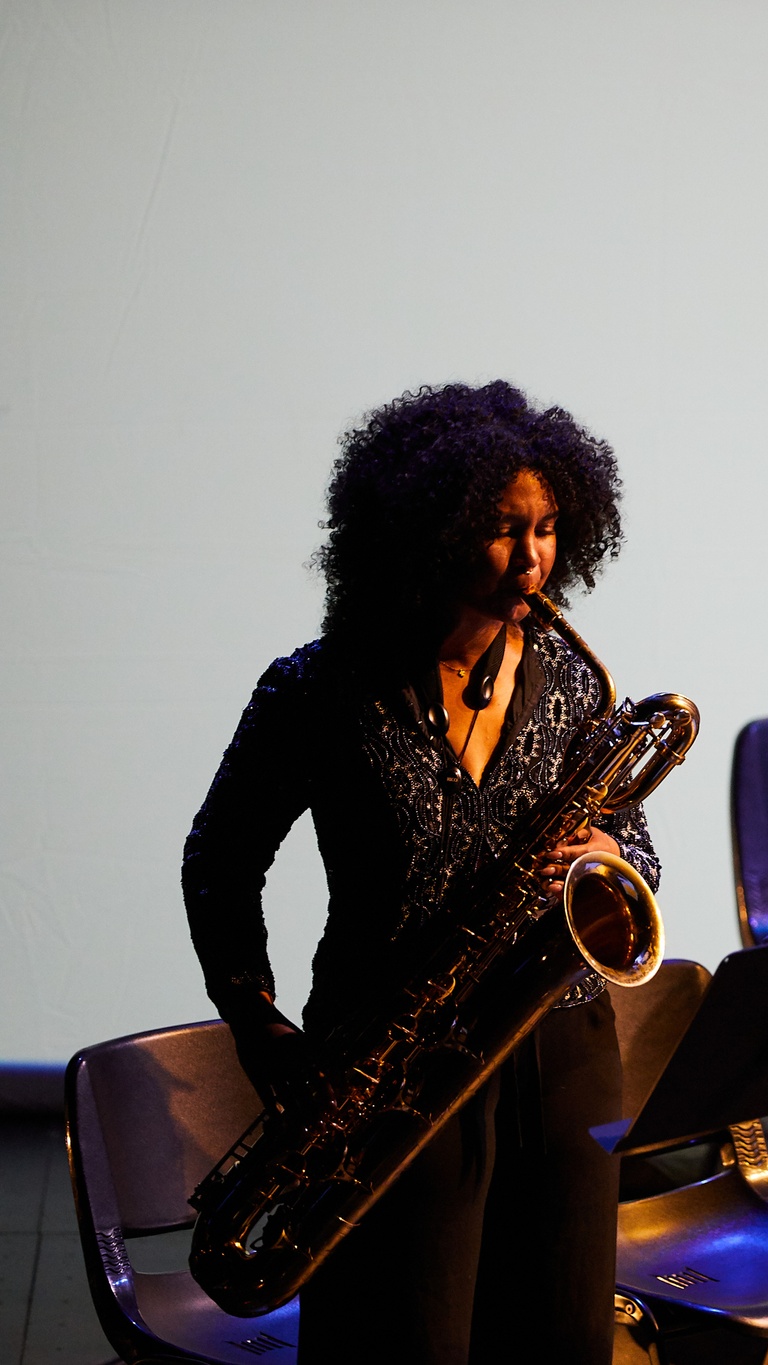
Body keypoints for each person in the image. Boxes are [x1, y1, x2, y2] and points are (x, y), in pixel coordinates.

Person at [182, 381, 658, 1365]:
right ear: (424, 531)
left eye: (549, 527)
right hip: (392, 1063)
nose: (533, 559)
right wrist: (255, 1020)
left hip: (562, 1052)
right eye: (499, 529)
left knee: (563, 1341)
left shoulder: (573, 681)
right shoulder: (315, 689)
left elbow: (640, 855)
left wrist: (613, 861)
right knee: (405, 1340)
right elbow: (219, 861)